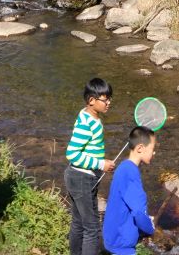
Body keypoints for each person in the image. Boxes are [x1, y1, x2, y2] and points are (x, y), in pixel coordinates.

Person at [65, 78, 116, 255]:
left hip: (81, 177)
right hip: (81, 179)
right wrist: (101, 164)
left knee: (79, 222)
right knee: (92, 228)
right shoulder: (88, 124)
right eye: (105, 99)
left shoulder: (88, 115)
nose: (109, 102)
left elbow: (88, 150)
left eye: (109, 98)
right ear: (91, 101)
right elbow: (72, 154)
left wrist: (100, 163)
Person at [103, 126, 158, 255]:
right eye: (153, 149)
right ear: (140, 148)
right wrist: (150, 228)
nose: (154, 153)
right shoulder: (131, 174)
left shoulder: (123, 167)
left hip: (112, 237)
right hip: (121, 245)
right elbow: (138, 212)